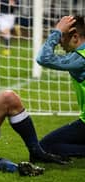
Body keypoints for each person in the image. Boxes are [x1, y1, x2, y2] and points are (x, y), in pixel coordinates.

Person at [36, 15, 85, 157]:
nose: (59, 43)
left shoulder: (80, 58)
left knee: (45, 146)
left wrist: (56, 32)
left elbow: (43, 58)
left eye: (62, 38)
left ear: (75, 37)